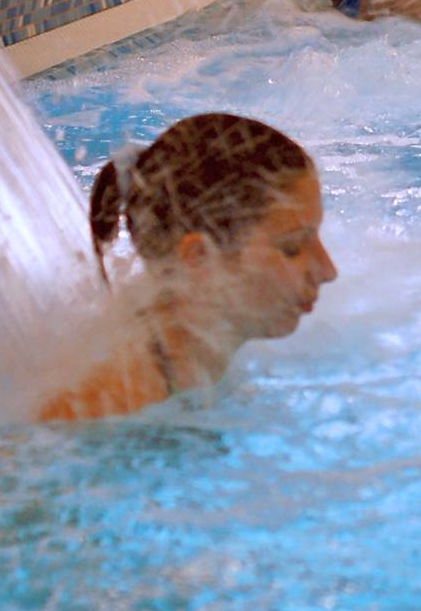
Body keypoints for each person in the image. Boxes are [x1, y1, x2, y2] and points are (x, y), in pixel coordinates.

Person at [40, 113, 336, 422]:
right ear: (199, 257)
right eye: (292, 248)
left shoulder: (189, 364)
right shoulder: (105, 412)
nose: (328, 270)